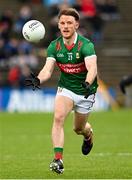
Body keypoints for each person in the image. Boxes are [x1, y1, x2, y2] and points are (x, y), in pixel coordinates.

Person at [26, 8, 98, 174]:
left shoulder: (86, 45)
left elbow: (92, 68)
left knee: (78, 128)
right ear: (58, 25)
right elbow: (47, 69)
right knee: (58, 118)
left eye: (69, 23)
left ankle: (88, 135)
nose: (66, 26)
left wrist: (87, 82)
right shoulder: (54, 46)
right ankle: (58, 160)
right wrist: (38, 79)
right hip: (66, 88)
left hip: (85, 91)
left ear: (77, 25)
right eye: (63, 23)